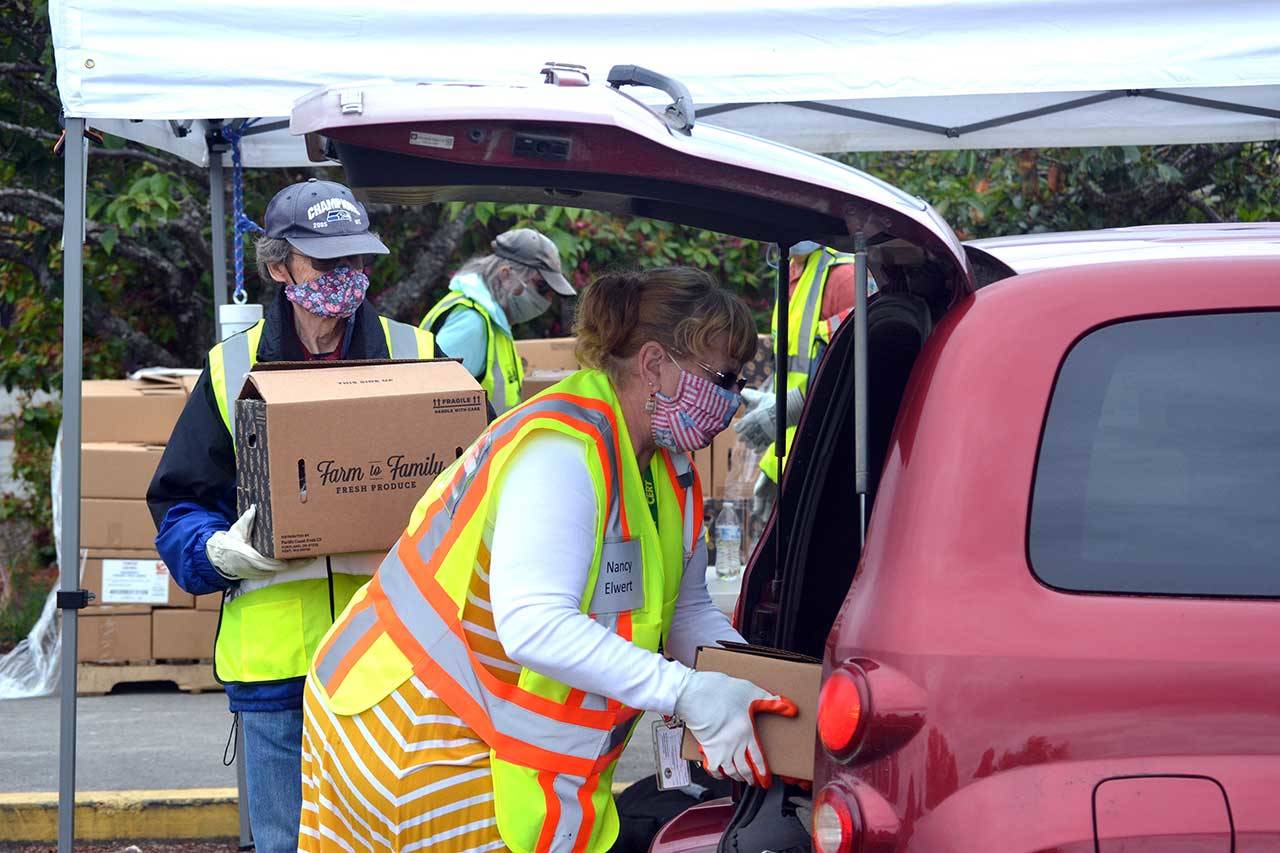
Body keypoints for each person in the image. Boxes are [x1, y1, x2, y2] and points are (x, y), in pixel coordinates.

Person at [300, 267, 797, 852]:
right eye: (723, 378)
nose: (733, 401)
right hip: (415, 722)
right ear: (655, 364)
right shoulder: (562, 449)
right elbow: (534, 625)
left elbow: (685, 615)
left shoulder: (667, 469)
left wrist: (764, 689)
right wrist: (688, 693)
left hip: (496, 732)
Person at [146, 178, 435, 853]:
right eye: (327, 264)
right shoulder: (232, 368)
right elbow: (181, 501)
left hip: (393, 661)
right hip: (276, 669)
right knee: (285, 845)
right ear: (279, 267)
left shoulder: (416, 354)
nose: (347, 278)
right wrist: (216, 552)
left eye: (357, 262)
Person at [735, 242, 875, 486]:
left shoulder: (844, 278)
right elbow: (793, 366)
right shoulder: (792, 271)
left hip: (826, 458)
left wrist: (795, 406)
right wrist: (771, 469)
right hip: (794, 453)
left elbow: (861, 377)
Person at [422, 227, 576, 413]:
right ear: (506, 275)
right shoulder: (472, 323)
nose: (548, 299)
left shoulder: (493, 322)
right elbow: (432, 405)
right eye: (542, 287)